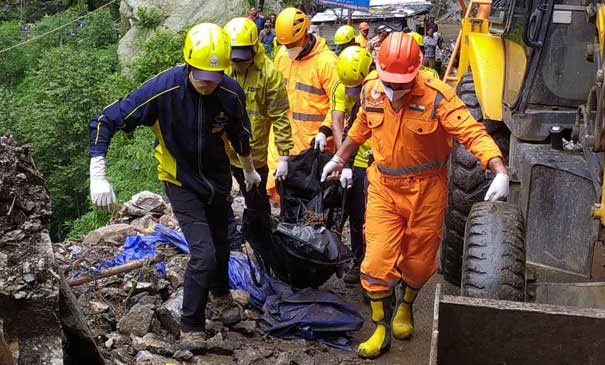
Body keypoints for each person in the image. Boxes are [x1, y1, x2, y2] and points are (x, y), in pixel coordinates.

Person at [321, 32, 509, 359]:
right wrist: (340, 158)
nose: (393, 91)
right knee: (376, 260)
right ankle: (380, 329)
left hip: (427, 190)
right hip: (383, 189)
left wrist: (499, 169)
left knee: (420, 263)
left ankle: (406, 305)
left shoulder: (438, 96)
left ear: (416, 71)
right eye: (388, 82)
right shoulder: (372, 90)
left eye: (401, 84)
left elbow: (471, 131)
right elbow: (360, 126)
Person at [88, 23, 261, 351]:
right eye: (201, 78)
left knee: (223, 244)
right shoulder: (164, 90)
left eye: (215, 78)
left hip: (218, 179)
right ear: (188, 65)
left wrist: (249, 170)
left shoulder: (229, 93)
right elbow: (107, 118)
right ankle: (191, 325)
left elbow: (240, 134)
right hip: (179, 180)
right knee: (203, 252)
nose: (207, 85)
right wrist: (98, 172)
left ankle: (222, 296)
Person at [223, 17, 293, 243]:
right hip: (224, 148)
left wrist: (283, 155)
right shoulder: (223, 67)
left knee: (255, 197)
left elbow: (280, 116)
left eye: (242, 59)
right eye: (234, 59)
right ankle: (233, 233)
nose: (238, 64)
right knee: (222, 194)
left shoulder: (268, 75)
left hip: (255, 153)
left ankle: (261, 237)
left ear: (254, 49)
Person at [329, 46, 373, 284]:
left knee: (374, 217)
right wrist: (342, 159)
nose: (353, 93)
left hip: (377, 158)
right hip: (355, 157)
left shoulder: (378, 87)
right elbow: (337, 122)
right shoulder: (340, 86)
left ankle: (377, 266)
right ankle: (359, 261)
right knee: (356, 213)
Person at [273, 7, 339, 154]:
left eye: (292, 44)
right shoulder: (282, 57)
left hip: (314, 146)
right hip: (283, 144)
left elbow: (340, 105)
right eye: (286, 45)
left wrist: (325, 130)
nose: (288, 49)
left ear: (306, 37)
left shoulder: (327, 62)